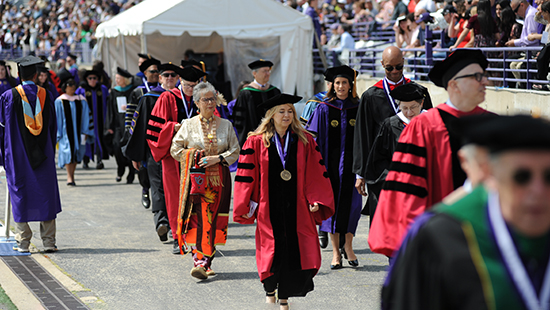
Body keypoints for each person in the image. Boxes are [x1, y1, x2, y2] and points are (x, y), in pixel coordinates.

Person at [382, 114, 550, 310]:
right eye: (521, 177)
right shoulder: (442, 236)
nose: (538, 191)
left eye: (549, 177)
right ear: (491, 175)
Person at [368, 49, 492, 257]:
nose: (485, 82)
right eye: (477, 77)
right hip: (440, 241)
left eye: (484, 76)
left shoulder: (495, 125)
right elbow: (407, 192)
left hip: (487, 237)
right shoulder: (423, 127)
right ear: (454, 85)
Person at [233, 94, 334, 310]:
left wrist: (315, 198)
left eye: (290, 111)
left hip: (297, 205)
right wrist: (247, 203)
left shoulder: (305, 140)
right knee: (271, 248)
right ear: (271, 115)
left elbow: (315, 172)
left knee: (295, 248)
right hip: (267, 205)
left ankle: (285, 297)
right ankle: (270, 290)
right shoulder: (256, 141)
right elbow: (246, 175)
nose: (287, 115)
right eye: (282, 111)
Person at [170, 81, 240, 279]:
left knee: (215, 219)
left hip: (220, 180)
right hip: (197, 181)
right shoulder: (188, 125)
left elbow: (235, 151)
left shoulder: (226, 125)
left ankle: (206, 261)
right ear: (197, 103)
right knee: (200, 219)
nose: (210, 103)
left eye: (212, 99)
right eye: (205, 100)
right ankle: (200, 261)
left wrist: (217, 158)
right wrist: (194, 155)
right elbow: (175, 150)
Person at [353, 46, 433, 214]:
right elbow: (363, 134)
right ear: (382, 65)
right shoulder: (371, 95)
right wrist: (360, 173)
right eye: (389, 67)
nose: (395, 71)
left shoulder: (420, 93)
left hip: (416, 166)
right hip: (382, 169)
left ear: (404, 63)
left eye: (399, 66)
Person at [0, 56, 61, 253]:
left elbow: (1, 130)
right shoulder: (47, 94)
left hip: (17, 157)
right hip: (43, 155)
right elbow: (52, 128)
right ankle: (49, 242)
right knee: (45, 193)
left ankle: (23, 241)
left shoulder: (8, 97)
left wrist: (4, 155)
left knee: (20, 192)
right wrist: (49, 149)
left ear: (19, 75)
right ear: (36, 75)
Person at [306, 65, 362, 269]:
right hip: (328, 169)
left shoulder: (358, 107)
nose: (340, 86)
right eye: (337, 83)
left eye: (344, 83)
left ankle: (349, 246)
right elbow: (312, 140)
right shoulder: (323, 108)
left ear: (350, 85)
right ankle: (336, 253)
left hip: (352, 169)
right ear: (332, 85)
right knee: (332, 209)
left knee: (353, 208)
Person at [147, 66, 207, 254]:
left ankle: (197, 235)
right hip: (174, 155)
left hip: (197, 154)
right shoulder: (167, 98)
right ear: (181, 82)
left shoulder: (203, 97)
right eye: (188, 86)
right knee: (175, 197)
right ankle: (177, 236)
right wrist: (174, 127)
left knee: (197, 194)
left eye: (194, 86)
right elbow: (155, 127)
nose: (191, 90)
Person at [124, 63, 179, 242]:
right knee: (158, 187)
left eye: (173, 75)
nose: (170, 78)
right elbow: (139, 129)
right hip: (154, 152)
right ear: (160, 78)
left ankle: (176, 225)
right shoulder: (149, 98)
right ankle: (162, 222)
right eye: (166, 75)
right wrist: (137, 155)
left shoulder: (183, 98)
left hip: (179, 153)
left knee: (177, 189)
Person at [363, 83, 429, 224]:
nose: (409, 113)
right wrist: (393, 178)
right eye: (404, 108)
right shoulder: (391, 125)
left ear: (422, 103)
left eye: (413, 107)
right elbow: (378, 160)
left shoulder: (433, 123)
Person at [126, 56, 161, 209]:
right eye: (152, 71)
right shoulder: (138, 91)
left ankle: (157, 196)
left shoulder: (163, 91)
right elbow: (130, 115)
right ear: (145, 73)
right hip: (142, 134)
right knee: (142, 166)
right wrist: (129, 136)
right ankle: (145, 190)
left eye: (157, 71)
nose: (155, 74)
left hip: (159, 135)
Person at [55, 78, 94, 186]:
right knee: (68, 153)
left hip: (79, 132)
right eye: (69, 85)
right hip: (65, 133)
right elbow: (57, 118)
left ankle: (72, 175)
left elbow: (87, 116)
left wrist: (86, 131)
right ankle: (69, 177)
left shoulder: (81, 100)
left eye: (73, 85)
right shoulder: (60, 101)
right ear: (65, 87)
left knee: (76, 153)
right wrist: (58, 134)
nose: (72, 87)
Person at [233, 59, 281, 146]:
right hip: (252, 138)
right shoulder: (245, 93)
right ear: (254, 74)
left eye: (269, 71)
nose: (268, 73)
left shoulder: (275, 91)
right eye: (265, 71)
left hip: (273, 137)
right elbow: (240, 122)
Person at [107, 67, 136, 183]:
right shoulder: (114, 92)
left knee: (130, 147)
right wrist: (109, 125)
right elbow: (110, 110)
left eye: (119, 78)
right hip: (118, 125)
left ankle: (131, 172)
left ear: (125, 80)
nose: (117, 81)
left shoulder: (132, 91)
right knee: (117, 147)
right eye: (116, 78)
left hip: (130, 124)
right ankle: (120, 168)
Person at [76, 70, 110, 170]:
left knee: (99, 139)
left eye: (94, 78)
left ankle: (99, 160)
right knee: (86, 140)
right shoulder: (82, 90)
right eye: (90, 78)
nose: (92, 80)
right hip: (86, 121)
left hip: (100, 120)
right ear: (86, 79)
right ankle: (85, 161)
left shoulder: (102, 89)